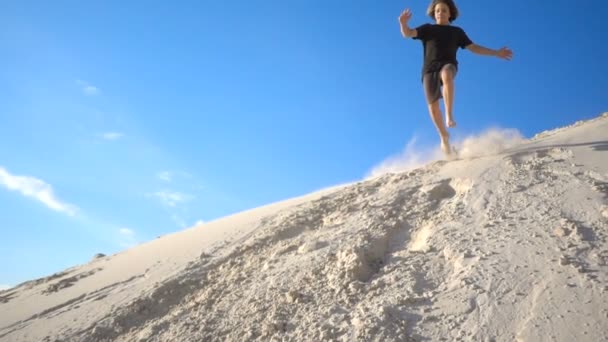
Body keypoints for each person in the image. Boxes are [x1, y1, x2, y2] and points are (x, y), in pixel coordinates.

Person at [398, 0, 513, 156]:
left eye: (444, 10)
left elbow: (474, 48)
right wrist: (403, 23)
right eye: (437, 10)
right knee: (432, 106)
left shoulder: (457, 32)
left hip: (448, 64)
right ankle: (444, 136)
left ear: (450, 14)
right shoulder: (427, 29)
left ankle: (449, 115)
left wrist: (495, 52)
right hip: (428, 70)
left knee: (446, 74)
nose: (440, 13)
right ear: (434, 13)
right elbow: (408, 33)